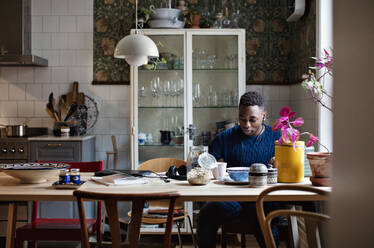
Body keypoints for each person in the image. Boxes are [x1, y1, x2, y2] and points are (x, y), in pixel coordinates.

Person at [197, 91, 281, 248]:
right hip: (232, 199)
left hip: (263, 199)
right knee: (206, 213)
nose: (246, 124)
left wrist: (280, 163)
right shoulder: (226, 137)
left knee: (263, 216)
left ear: (264, 116)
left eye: (252, 119)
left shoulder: (277, 137)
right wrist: (206, 167)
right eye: (242, 119)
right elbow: (205, 163)